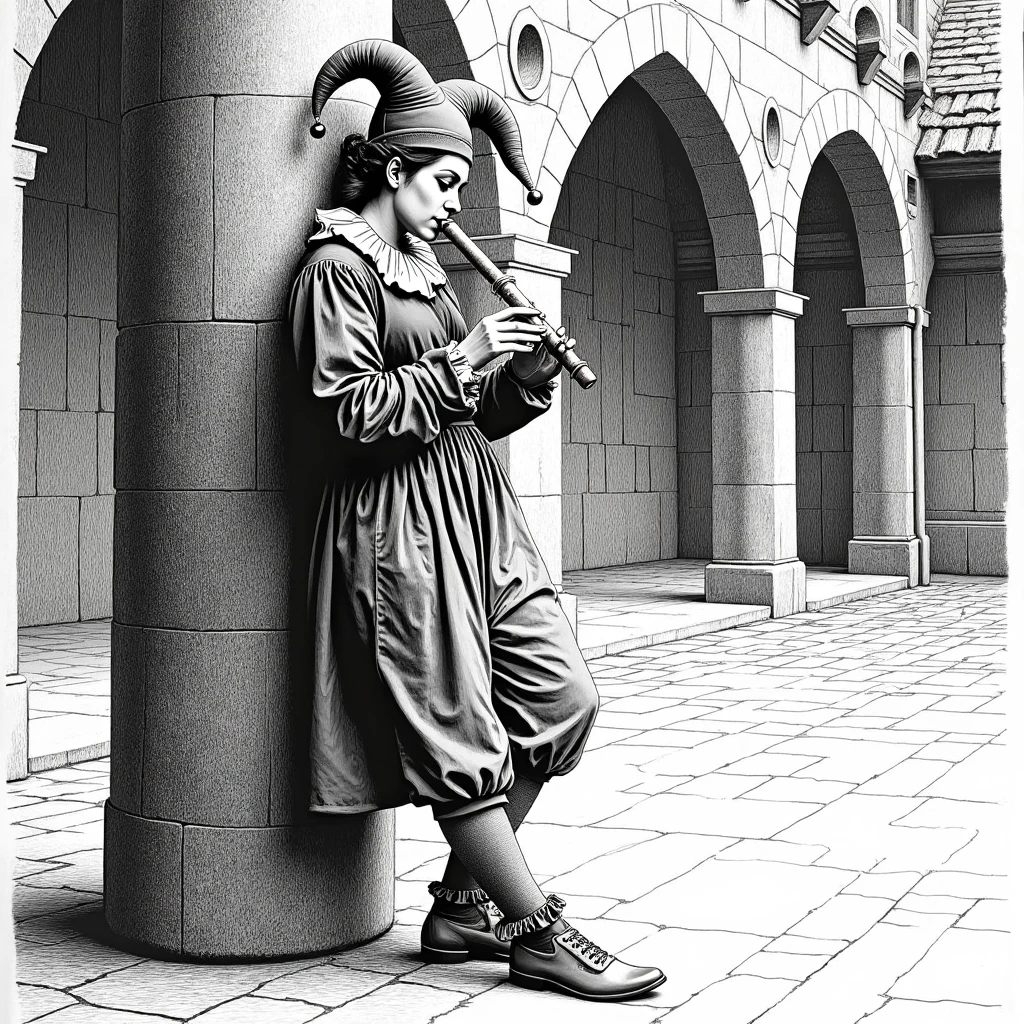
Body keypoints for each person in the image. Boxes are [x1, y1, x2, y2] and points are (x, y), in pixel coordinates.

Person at [289, 39, 666, 1003]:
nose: (457, 202)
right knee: (456, 731)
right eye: (447, 180)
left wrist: (524, 379)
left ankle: (464, 901)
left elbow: (468, 409)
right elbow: (342, 412)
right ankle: (536, 930)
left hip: (474, 504)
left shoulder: (424, 268)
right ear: (393, 166)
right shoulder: (339, 267)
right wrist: (464, 364)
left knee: (561, 697)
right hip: (395, 525)